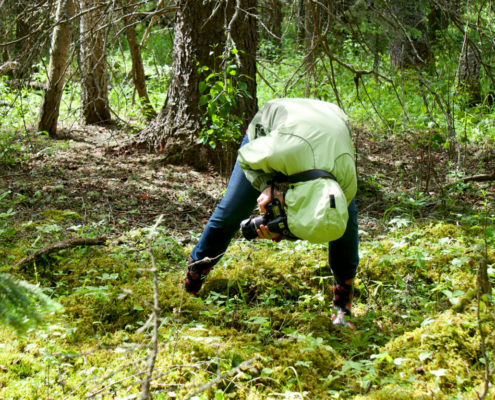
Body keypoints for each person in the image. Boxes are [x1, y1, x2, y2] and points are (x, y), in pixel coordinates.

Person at [185, 98, 359, 327]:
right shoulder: (277, 149)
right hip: (271, 135)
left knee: (346, 229)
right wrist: (268, 185)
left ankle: (342, 304)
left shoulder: (346, 185)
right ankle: (191, 282)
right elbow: (246, 158)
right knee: (230, 212)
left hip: (327, 129)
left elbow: (323, 221)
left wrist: (281, 229)